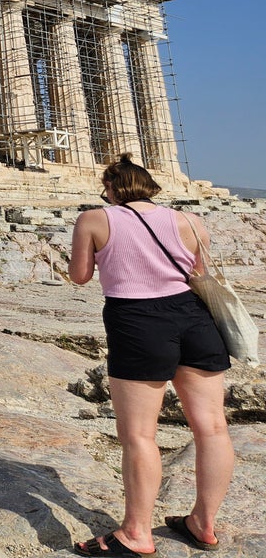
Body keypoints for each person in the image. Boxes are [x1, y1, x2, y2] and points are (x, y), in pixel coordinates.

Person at [69, 153, 233, 557]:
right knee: (212, 427)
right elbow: (198, 271)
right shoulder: (192, 222)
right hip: (194, 319)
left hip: (137, 321)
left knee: (139, 435)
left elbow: (80, 276)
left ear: (112, 187)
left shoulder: (94, 218)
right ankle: (203, 523)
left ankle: (137, 533)